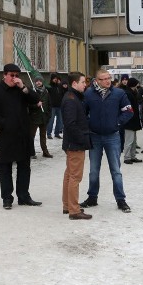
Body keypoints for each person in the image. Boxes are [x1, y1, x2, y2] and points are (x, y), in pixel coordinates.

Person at [0, 63, 43, 209]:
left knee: (24, 166)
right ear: (4, 75)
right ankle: (7, 198)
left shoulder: (21, 89)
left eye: (17, 75)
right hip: (6, 134)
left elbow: (36, 100)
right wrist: (3, 123)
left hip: (23, 133)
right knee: (6, 167)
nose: (14, 78)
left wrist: (23, 87)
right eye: (11, 75)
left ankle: (23, 196)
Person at [81, 68, 134, 213]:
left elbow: (129, 111)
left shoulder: (119, 93)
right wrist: (89, 124)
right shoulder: (89, 94)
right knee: (93, 170)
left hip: (113, 136)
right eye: (104, 79)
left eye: (109, 78)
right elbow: (82, 113)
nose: (107, 81)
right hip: (95, 136)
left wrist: (116, 123)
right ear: (96, 80)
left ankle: (120, 200)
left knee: (116, 170)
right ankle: (92, 197)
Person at [61, 72, 92, 220]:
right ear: (74, 84)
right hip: (75, 144)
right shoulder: (71, 100)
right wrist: (82, 139)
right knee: (75, 177)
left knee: (69, 175)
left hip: (74, 143)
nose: (85, 84)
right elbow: (70, 124)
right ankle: (74, 210)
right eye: (82, 82)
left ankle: (68, 205)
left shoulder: (74, 98)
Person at [28, 76, 52, 159]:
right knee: (32, 135)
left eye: (40, 81)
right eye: (37, 81)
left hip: (43, 117)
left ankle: (45, 152)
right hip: (34, 117)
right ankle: (31, 152)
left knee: (43, 136)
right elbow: (28, 105)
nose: (38, 82)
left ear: (42, 82)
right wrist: (36, 105)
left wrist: (48, 115)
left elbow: (49, 104)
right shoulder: (32, 91)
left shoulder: (46, 91)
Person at [121, 78, 143, 164]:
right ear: (134, 84)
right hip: (130, 120)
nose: (138, 86)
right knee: (129, 140)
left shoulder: (132, 92)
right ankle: (127, 157)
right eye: (137, 84)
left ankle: (133, 156)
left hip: (133, 119)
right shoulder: (128, 93)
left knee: (133, 140)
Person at [46, 72, 65, 139]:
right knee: (51, 120)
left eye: (56, 78)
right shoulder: (49, 86)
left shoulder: (59, 86)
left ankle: (57, 133)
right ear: (51, 79)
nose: (55, 79)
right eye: (54, 78)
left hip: (59, 106)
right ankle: (49, 133)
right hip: (52, 106)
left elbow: (63, 94)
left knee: (60, 120)